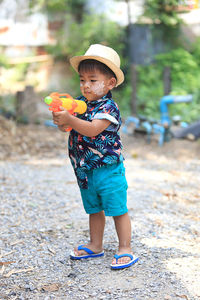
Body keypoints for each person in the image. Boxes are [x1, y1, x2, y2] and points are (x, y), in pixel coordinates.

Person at [52, 44, 138, 269]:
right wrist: (63, 121)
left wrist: (70, 120)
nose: (86, 85)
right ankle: (96, 244)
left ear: (110, 83)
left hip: (108, 168)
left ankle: (125, 247)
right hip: (84, 168)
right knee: (94, 208)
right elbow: (70, 128)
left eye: (92, 80)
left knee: (117, 209)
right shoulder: (80, 103)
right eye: (82, 80)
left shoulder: (109, 107)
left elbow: (92, 129)